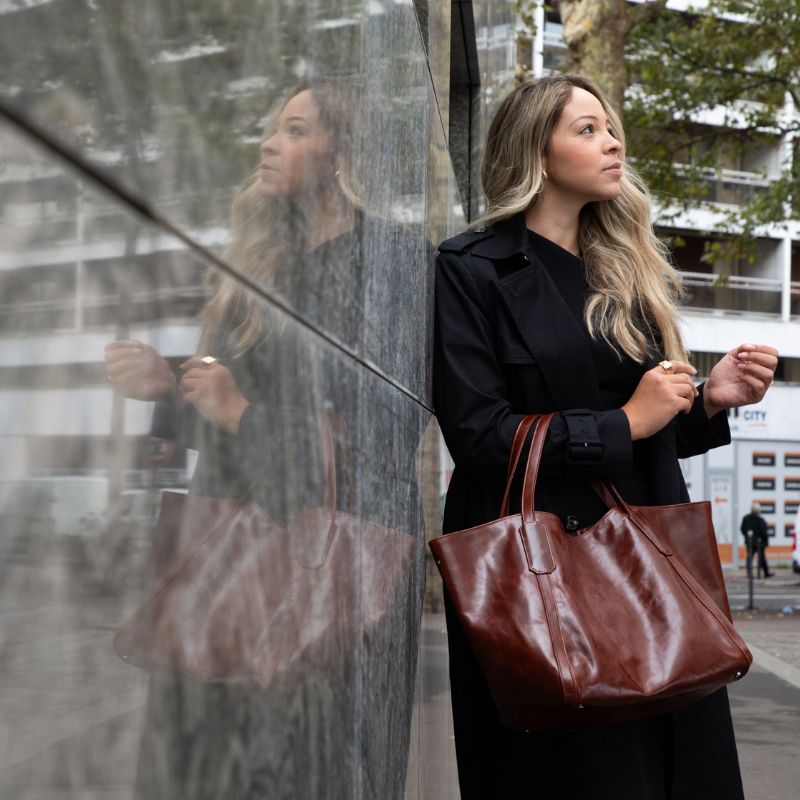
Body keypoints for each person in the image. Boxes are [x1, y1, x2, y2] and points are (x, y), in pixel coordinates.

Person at [433, 74, 779, 800]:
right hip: (542, 586)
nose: (612, 141)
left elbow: (645, 434)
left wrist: (708, 402)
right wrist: (626, 420)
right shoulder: (474, 268)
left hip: (650, 570)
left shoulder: (624, 272)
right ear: (536, 149)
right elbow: (478, 434)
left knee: (676, 762)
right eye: (585, 129)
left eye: (610, 126)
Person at [105, 81, 423, 800]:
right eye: (271, 129)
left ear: (339, 149)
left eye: (292, 129)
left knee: (298, 766)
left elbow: (387, 427)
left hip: (317, 568)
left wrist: (239, 411)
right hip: (226, 556)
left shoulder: (392, 259)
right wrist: (168, 386)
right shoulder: (253, 266)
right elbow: (228, 401)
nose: (266, 144)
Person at [740, 501, 773, 578]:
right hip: (759, 543)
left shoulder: (746, 518)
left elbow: (742, 529)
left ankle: (749, 574)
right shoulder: (760, 520)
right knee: (761, 558)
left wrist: (748, 537)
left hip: (750, 542)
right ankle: (766, 573)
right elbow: (764, 532)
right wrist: (765, 542)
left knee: (750, 558)